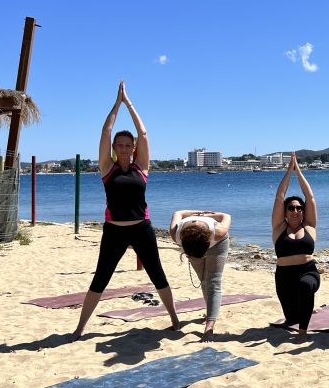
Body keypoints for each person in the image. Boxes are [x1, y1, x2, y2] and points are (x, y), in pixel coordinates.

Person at [72, 81, 180, 340]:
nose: (123, 148)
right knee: (101, 279)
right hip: (114, 232)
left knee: (157, 275)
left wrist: (129, 103)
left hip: (142, 230)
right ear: (114, 148)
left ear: (133, 149)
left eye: (127, 145)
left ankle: (175, 320)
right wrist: (115, 104)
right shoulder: (106, 169)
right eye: (119, 145)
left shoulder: (141, 168)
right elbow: (105, 132)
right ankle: (80, 328)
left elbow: (144, 134)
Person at [271, 153, 320, 343]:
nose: (296, 210)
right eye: (291, 207)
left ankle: (303, 332)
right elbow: (279, 196)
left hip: (308, 272)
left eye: (299, 208)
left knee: (305, 286)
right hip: (284, 277)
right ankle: (301, 315)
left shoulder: (309, 226)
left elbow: (310, 196)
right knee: (292, 317)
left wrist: (298, 170)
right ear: (285, 211)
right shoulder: (279, 228)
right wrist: (288, 171)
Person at [170, 208, 231, 342]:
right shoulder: (175, 234)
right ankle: (210, 312)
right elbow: (178, 213)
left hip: (218, 244)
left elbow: (225, 215)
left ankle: (209, 328)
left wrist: (207, 214)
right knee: (203, 280)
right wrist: (195, 213)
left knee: (213, 282)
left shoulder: (219, 231)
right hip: (193, 245)